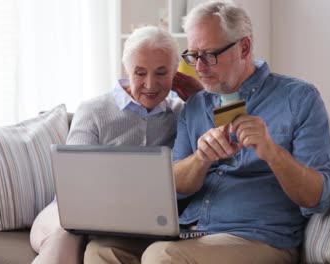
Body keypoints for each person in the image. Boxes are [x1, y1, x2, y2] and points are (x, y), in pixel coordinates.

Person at [84, 1, 330, 264]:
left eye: (209, 55)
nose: (199, 67)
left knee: (162, 256)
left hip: (258, 237)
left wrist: (272, 152)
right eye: (193, 56)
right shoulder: (195, 105)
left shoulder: (299, 99)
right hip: (190, 234)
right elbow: (174, 188)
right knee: (102, 249)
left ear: (244, 47)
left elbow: (320, 198)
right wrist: (201, 159)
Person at [29, 26, 202, 264]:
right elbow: (73, 182)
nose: (150, 84)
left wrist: (200, 96)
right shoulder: (94, 110)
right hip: (72, 215)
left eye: (161, 73)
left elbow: (224, 133)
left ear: (176, 73)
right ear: (127, 70)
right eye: (140, 73)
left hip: (141, 221)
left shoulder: (180, 114)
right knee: (67, 234)